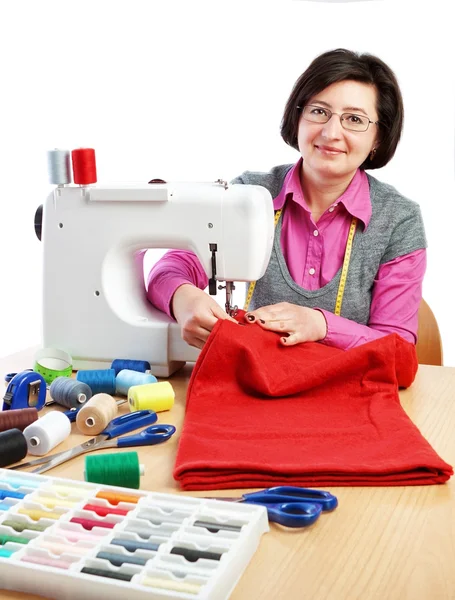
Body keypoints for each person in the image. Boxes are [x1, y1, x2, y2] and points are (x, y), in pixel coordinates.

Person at [147, 48, 426, 351]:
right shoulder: (250, 195)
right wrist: (184, 298)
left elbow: (398, 350)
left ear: (379, 138)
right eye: (319, 111)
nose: (331, 132)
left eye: (354, 119)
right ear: (298, 118)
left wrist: (321, 325)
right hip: (259, 382)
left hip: (346, 390)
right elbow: (169, 269)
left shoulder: (399, 220)